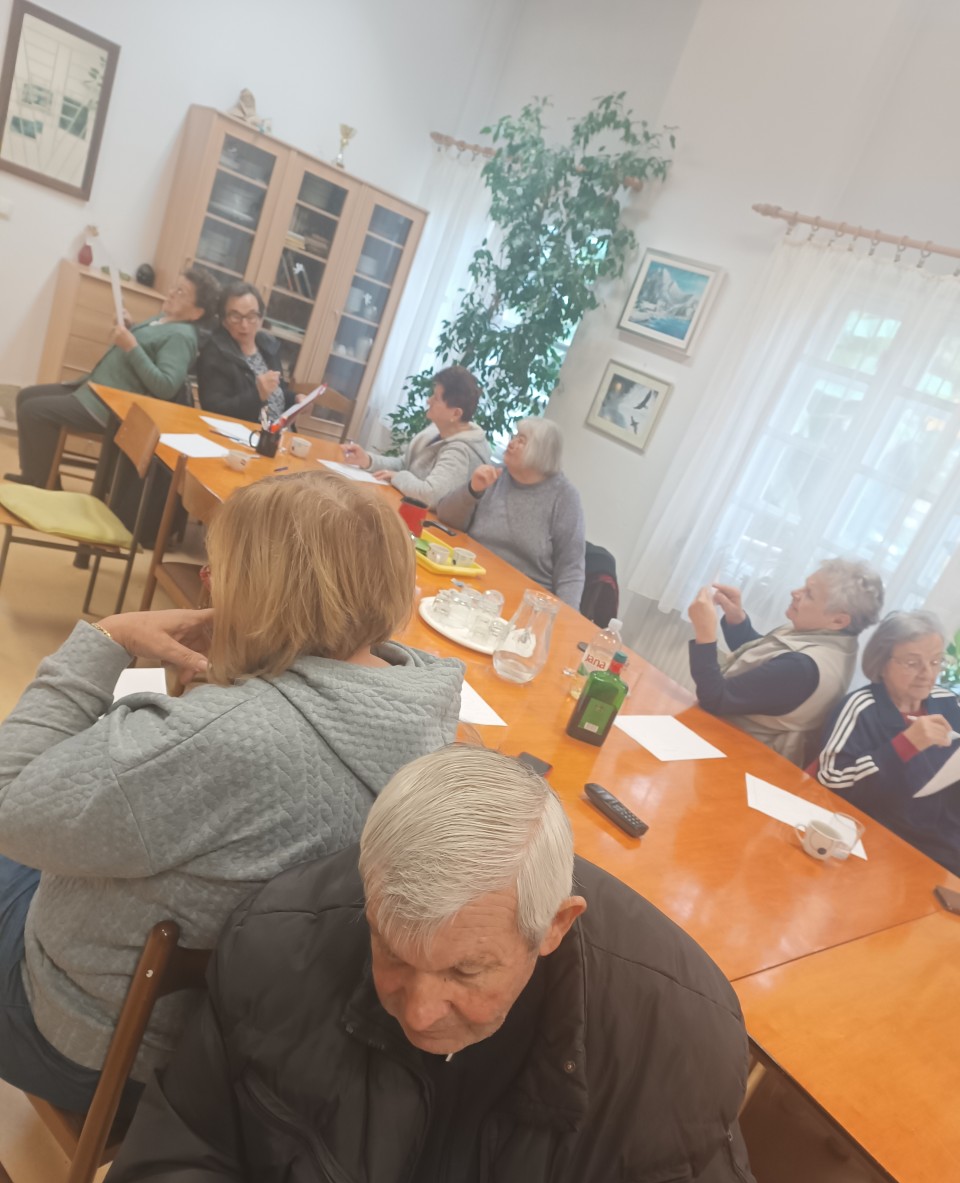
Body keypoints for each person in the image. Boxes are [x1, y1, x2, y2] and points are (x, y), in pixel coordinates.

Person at [105, 744, 763, 1183]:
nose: (418, 1013)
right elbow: (182, 1152)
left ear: (555, 926)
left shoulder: (675, 1038)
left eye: (465, 972)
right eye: (391, 952)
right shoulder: (277, 949)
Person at [0, 471, 463, 1118]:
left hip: (96, 1039)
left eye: (219, 569)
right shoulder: (426, 710)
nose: (207, 581)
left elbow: (10, 799)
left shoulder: (224, 739)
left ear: (263, 590)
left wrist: (108, 638)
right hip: (241, 1052)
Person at [9, 267, 219, 488]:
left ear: (197, 313)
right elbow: (150, 348)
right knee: (26, 397)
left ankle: (45, 486)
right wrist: (131, 327)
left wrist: (131, 346)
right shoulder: (166, 319)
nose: (172, 293)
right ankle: (33, 476)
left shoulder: (181, 337)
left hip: (109, 407)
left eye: (181, 292)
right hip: (94, 389)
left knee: (33, 412)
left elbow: (166, 386)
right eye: (175, 287)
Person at [687, 558, 884, 764]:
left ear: (838, 620)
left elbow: (715, 698)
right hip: (729, 742)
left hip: (739, 758)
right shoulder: (831, 638)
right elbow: (766, 667)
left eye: (809, 594)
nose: (795, 593)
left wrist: (705, 633)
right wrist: (736, 619)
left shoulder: (802, 667)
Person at [816, 611, 960, 873]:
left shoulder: (949, 702)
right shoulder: (862, 707)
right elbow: (830, 779)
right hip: (884, 840)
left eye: (936, 661)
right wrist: (905, 745)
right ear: (882, 663)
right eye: (912, 663)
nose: (927, 674)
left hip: (945, 846)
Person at [436, 417, 586, 608]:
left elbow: (571, 569)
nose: (511, 443)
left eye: (521, 441)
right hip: (472, 581)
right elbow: (446, 516)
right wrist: (472, 490)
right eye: (514, 436)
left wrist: (566, 618)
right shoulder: (496, 474)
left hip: (524, 600)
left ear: (541, 452)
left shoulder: (564, 496)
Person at [342, 365, 490, 507]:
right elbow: (405, 464)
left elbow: (430, 496)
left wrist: (398, 477)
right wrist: (368, 460)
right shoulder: (437, 430)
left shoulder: (460, 452)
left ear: (456, 413)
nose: (428, 400)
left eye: (436, 398)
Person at [197, 280, 297, 425]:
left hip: (276, 433)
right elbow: (214, 410)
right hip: (241, 433)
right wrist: (257, 395)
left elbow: (276, 392)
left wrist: (295, 399)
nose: (244, 325)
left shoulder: (269, 347)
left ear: (261, 319)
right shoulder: (214, 353)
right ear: (224, 320)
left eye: (251, 316)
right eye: (235, 316)